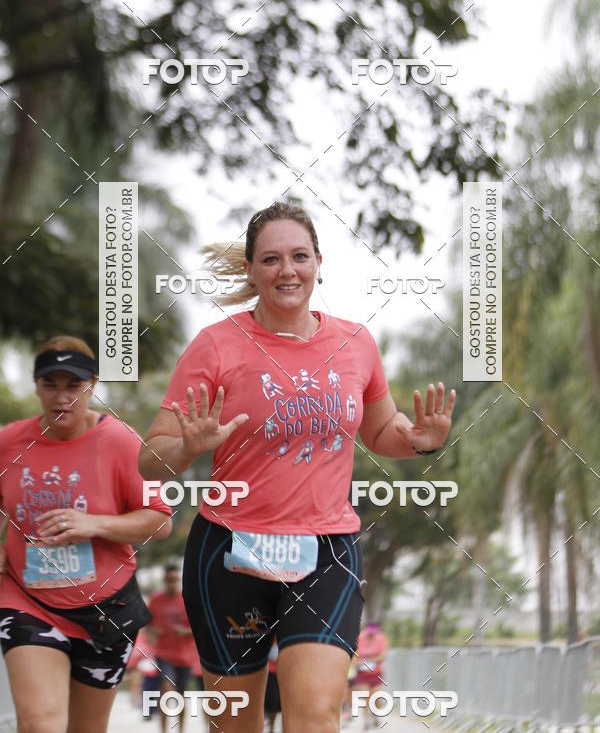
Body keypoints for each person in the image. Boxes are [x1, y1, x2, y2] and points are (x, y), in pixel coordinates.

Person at [138, 201, 456, 732]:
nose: (287, 270)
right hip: (230, 551)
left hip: (326, 551)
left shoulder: (355, 344)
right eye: (271, 259)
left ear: (318, 262)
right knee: (236, 723)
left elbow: (380, 432)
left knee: (313, 718)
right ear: (250, 268)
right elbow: (151, 461)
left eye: (299, 256)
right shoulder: (216, 345)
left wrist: (419, 441)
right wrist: (187, 445)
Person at [0, 335, 172, 733]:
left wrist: (94, 524)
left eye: (73, 386)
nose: (62, 397)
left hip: (106, 612)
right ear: (36, 386)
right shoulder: (9, 443)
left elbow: (160, 520)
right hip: (28, 602)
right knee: (41, 723)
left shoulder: (120, 441)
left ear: (92, 384)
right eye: (50, 385)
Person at [146, 563, 197, 732]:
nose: (171, 583)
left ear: (179, 580)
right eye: (168, 580)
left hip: (184, 656)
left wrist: (186, 631)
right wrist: (154, 632)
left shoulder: (187, 599)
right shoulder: (155, 600)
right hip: (164, 654)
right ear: (164, 580)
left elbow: (199, 628)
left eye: (174, 580)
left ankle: (181, 730)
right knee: (166, 691)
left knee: (180, 696)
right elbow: (147, 626)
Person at [351, 622, 389, 729]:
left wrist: (369, 660)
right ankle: (366, 720)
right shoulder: (360, 637)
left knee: (376, 696)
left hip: (376, 672)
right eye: (370, 633)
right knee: (365, 696)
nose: (371, 635)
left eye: (373, 633)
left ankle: (376, 715)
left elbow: (383, 655)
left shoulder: (381, 638)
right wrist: (356, 663)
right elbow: (354, 654)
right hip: (362, 673)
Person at [264, 637, 281, 732]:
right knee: (267, 707)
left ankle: (272, 727)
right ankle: (269, 726)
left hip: (278, 672)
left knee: (275, 707)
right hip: (268, 672)